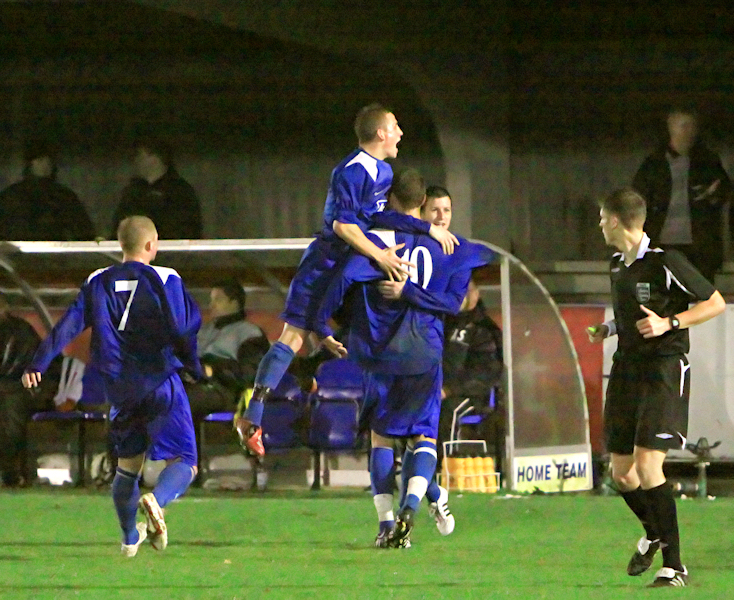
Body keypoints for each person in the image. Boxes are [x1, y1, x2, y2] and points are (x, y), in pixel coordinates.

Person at [236, 103, 459, 457]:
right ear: (381, 133)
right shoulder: (351, 171)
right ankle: (253, 417)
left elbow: (380, 217)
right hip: (326, 262)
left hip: (352, 263)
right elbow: (343, 226)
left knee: (391, 295)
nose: (401, 133)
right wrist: (379, 255)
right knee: (291, 337)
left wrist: (426, 227)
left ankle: (340, 357)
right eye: (396, 126)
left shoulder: (383, 173)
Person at [314, 169, 494, 548]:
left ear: (390, 198)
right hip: (423, 351)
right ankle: (419, 504)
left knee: (383, 438)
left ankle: (387, 524)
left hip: (379, 352)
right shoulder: (454, 249)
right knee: (421, 437)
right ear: (423, 203)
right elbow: (455, 298)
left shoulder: (375, 239)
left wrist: (320, 322)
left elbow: (343, 278)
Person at [22, 216, 203, 557]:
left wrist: (39, 362)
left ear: (122, 245)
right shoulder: (166, 277)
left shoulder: (96, 281)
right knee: (186, 460)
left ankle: (128, 540)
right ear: (152, 245)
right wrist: (192, 366)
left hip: (120, 389)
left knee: (127, 467)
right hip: (159, 380)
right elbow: (182, 329)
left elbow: (68, 326)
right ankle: (157, 500)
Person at [588, 188, 724, 587]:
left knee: (649, 466)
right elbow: (629, 316)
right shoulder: (616, 265)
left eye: (601, 217)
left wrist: (671, 323)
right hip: (626, 371)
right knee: (623, 475)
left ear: (615, 220)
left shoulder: (667, 261)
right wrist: (609, 328)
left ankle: (674, 566)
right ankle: (653, 531)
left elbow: (714, 302)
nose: (599, 224)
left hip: (662, 369)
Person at [632, 106, 732, 282]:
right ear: (671, 127)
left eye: (692, 126)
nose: (689, 132)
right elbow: (637, 198)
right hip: (662, 242)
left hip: (699, 245)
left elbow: (724, 191)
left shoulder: (707, 161)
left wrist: (712, 194)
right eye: (684, 126)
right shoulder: (654, 164)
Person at [0, 294, 60, 486]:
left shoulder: (21, 331)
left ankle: (12, 472)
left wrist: (38, 392)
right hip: (10, 391)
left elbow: (40, 367)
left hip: (20, 390)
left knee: (11, 415)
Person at [110, 135, 203, 239]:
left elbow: (186, 230)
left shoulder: (180, 192)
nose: (135, 161)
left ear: (155, 157)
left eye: (139, 155)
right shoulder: (132, 192)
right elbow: (119, 227)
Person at [0, 140, 95, 241]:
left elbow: (83, 232)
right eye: (41, 160)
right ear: (30, 163)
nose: (45, 165)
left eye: (48, 161)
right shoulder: (12, 196)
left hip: (54, 253)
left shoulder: (64, 196)